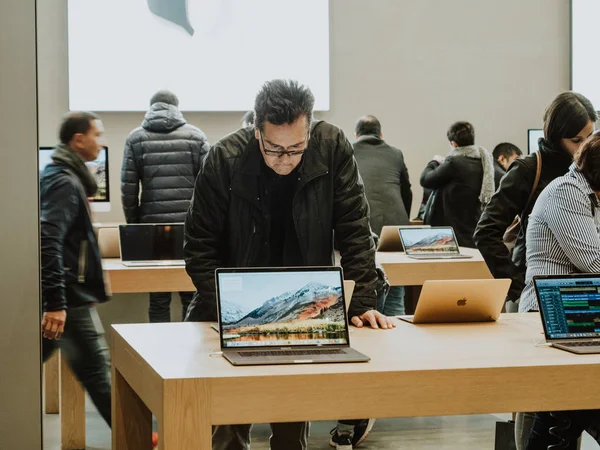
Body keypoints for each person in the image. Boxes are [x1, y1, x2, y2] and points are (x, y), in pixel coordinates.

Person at [184, 79, 395, 450]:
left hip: (302, 297)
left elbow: (355, 230)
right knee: (228, 419)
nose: (285, 160)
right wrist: (229, 311)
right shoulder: (224, 158)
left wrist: (361, 301)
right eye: (275, 149)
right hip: (238, 300)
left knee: (292, 413)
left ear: (309, 131)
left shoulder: (331, 148)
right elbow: (199, 246)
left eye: (296, 148)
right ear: (256, 131)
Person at [473, 92, 597, 450]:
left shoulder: (588, 171)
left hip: (575, 300)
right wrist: (514, 283)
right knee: (535, 399)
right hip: (536, 290)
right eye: (576, 139)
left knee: (568, 403)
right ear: (555, 134)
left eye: (590, 137)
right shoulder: (531, 169)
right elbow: (486, 230)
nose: (583, 146)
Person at [523, 133, 600, 449]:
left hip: (580, 316)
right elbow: (593, 261)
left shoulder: (591, 197)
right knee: (576, 400)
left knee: (567, 408)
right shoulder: (567, 193)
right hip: (549, 315)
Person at [40, 111, 112, 427]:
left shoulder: (63, 176)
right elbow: (48, 240)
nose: (101, 141)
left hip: (69, 294)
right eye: (97, 134)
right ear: (78, 139)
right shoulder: (64, 182)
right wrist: (56, 303)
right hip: (69, 298)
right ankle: (140, 439)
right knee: (99, 373)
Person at [121, 90, 209, 323]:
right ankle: (189, 351)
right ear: (177, 107)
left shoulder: (135, 139)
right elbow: (209, 187)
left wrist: (136, 227)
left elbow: (128, 189)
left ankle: (157, 354)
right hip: (189, 227)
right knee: (190, 292)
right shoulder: (196, 137)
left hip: (153, 229)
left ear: (151, 107)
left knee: (158, 297)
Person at [353, 114, 412, 316]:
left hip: (362, 224)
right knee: (396, 287)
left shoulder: (349, 151)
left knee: (367, 282)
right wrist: (404, 221)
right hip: (395, 226)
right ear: (381, 133)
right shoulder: (395, 153)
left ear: (356, 134)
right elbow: (407, 191)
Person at [420, 121, 495, 247]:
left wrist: (434, 162)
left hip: (452, 228)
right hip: (471, 225)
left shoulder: (453, 162)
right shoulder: (483, 162)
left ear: (453, 143)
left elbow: (426, 180)